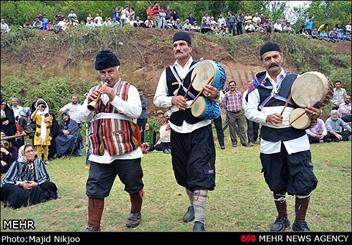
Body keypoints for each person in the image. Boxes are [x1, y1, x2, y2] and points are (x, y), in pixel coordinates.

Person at [245, 41, 321, 232]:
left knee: (304, 181)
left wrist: (314, 114)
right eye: (267, 58)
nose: (272, 61)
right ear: (262, 62)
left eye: (275, 57)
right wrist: (266, 117)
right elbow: (249, 111)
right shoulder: (255, 86)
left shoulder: (298, 80)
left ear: (282, 57)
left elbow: (312, 106)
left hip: (297, 142)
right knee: (276, 183)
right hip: (270, 143)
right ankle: (282, 218)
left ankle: (300, 222)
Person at [154, 31, 222, 232]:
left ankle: (199, 221)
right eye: (175, 45)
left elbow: (221, 95)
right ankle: (193, 205)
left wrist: (217, 94)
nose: (178, 48)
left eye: (183, 44)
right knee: (183, 173)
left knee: (199, 171)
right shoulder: (166, 73)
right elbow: (157, 99)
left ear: (190, 48)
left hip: (200, 127)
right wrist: (172, 100)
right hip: (176, 129)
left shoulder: (204, 68)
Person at [80, 50, 144, 231]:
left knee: (134, 184)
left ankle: (135, 211)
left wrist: (113, 97)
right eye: (103, 73)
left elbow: (135, 112)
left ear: (118, 70)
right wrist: (88, 103)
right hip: (101, 151)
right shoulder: (94, 91)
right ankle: (93, 225)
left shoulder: (129, 89)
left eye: (110, 71)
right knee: (94, 188)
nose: (107, 76)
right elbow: (84, 117)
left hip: (126, 149)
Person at [1, 144, 57, 209]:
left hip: (34, 185)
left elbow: (45, 177)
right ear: (23, 154)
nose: (31, 153)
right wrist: (21, 183)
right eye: (28, 152)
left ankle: (28, 198)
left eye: (32, 151)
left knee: (50, 185)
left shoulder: (38, 162)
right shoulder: (16, 163)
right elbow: (6, 180)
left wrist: (36, 183)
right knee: (16, 192)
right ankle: (30, 198)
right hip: (19, 186)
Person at [31, 99, 53, 164]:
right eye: (40, 106)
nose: (42, 108)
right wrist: (37, 109)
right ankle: (39, 160)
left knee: (46, 147)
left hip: (46, 132)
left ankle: (45, 159)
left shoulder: (48, 115)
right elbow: (32, 117)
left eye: (43, 106)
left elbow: (51, 123)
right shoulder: (37, 114)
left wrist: (48, 120)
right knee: (39, 147)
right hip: (39, 132)